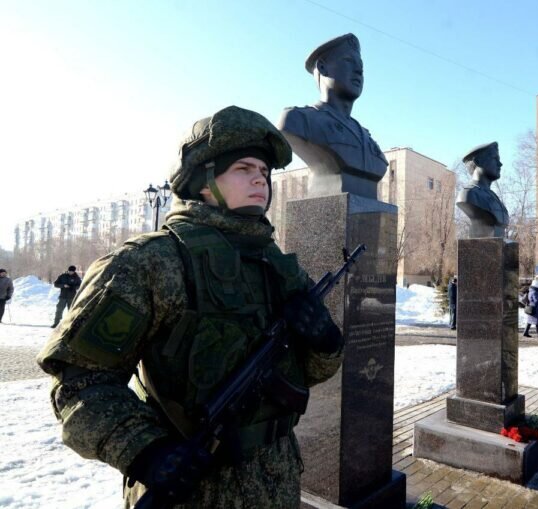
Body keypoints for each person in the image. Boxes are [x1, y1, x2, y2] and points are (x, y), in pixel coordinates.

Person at [36, 106, 345, 508]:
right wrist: (146, 452)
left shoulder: (278, 266)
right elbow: (81, 382)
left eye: (265, 171)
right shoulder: (153, 262)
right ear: (203, 181)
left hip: (279, 481)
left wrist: (325, 342)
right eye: (243, 168)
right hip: (193, 490)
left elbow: (307, 373)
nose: (260, 179)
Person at [278, 33, 387, 200]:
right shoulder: (298, 120)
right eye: (349, 61)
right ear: (322, 67)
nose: (358, 71)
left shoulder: (367, 138)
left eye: (361, 67)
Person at [456, 142, 509, 238]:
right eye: (495, 159)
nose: (500, 164)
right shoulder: (468, 194)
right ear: (478, 161)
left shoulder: (494, 197)